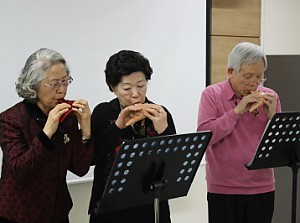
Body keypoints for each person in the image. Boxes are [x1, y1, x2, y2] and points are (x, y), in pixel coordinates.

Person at [0, 48, 94, 223]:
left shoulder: (68, 119)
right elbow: (20, 170)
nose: (62, 90)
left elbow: (80, 169)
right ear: (33, 84)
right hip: (19, 215)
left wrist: (86, 131)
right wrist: (47, 131)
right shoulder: (10, 120)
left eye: (66, 81)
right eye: (54, 84)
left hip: (58, 213)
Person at [197, 42, 282, 223]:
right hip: (224, 187)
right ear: (231, 72)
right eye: (248, 76)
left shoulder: (270, 96)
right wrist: (236, 112)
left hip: (262, 186)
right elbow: (205, 136)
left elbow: (279, 146)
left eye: (260, 76)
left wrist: (273, 117)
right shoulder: (211, 94)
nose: (254, 83)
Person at [88, 50, 176, 223]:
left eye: (141, 85)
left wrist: (164, 130)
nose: (135, 94)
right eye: (127, 88)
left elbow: (172, 162)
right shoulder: (103, 112)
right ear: (113, 88)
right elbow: (91, 157)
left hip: (151, 204)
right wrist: (118, 126)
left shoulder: (159, 113)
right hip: (109, 206)